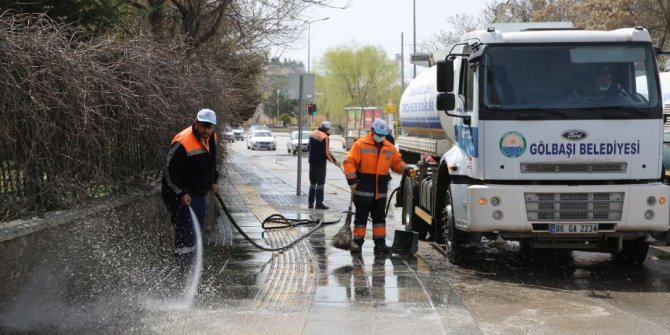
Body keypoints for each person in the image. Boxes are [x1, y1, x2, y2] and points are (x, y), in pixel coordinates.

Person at [343, 118, 412, 256]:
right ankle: (357, 243)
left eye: (383, 135)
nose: (380, 137)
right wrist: (352, 180)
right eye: (378, 134)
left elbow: (397, 163)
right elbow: (348, 162)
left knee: (379, 220)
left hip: (379, 192)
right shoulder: (360, 145)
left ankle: (380, 244)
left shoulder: (389, 148)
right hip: (363, 191)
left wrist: (406, 169)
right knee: (361, 220)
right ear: (372, 131)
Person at [161, 108, 219, 265]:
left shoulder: (211, 137)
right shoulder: (183, 142)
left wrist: (214, 180)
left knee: (196, 231)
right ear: (197, 122)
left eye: (210, 127)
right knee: (186, 231)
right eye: (204, 126)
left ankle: (192, 264)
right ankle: (183, 267)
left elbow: (211, 161)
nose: (206, 130)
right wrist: (181, 193)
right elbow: (169, 170)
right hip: (178, 195)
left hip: (198, 194)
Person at [308, 120, 341, 209]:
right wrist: (335, 161)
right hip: (320, 164)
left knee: (312, 183)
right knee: (320, 184)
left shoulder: (312, 134)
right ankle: (319, 204)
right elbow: (326, 153)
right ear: (327, 129)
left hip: (312, 162)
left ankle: (310, 203)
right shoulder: (325, 137)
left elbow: (308, 147)